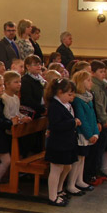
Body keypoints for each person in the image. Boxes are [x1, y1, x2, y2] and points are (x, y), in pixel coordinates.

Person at [44, 77, 79, 205]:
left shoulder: (66, 105)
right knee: (56, 169)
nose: (72, 97)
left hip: (67, 141)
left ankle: (59, 189)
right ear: (59, 92)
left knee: (67, 166)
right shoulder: (55, 106)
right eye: (69, 94)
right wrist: (73, 122)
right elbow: (56, 125)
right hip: (58, 142)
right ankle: (52, 197)